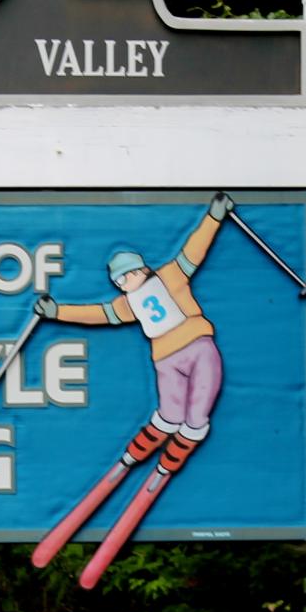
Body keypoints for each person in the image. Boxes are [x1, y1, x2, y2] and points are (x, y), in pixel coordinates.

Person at [34, 191, 234, 477]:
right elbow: (97, 314)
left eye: (128, 274)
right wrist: (58, 312)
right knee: (171, 411)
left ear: (142, 268)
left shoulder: (171, 276)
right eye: (119, 280)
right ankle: (145, 446)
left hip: (197, 345)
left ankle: (177, 452)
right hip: (165, 358)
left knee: (199, 407)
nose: (125, 281)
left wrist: (214, 217)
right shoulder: (128, 304)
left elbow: (195, 249)